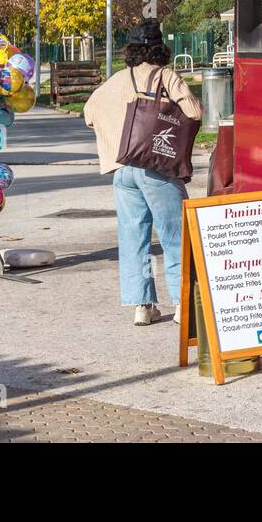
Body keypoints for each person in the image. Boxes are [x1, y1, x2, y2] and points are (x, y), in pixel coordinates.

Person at [84, 20, 202, 326]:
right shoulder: (165, 76)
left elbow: (88, 113)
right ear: (161, 48)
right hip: (156, 169)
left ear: (132, 50)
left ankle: (144, 306)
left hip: (123, 171)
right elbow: (194, 113)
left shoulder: (116, 79)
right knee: (175, 237)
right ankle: (182, 303)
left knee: (134, 238)